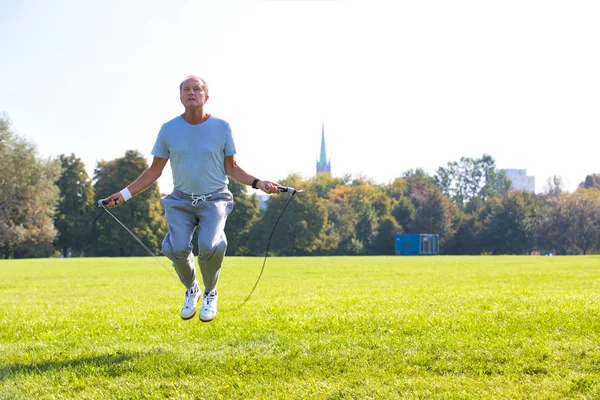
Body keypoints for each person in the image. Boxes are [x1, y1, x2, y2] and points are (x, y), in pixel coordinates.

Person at [102, 75, 280, 322]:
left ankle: (210, 292)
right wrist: (123, 195)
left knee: (209, 246)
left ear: (206, 96)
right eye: (186, 89)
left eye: (197, 89)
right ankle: (192, 289)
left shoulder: (222, 127)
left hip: (215, 199)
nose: (192, 92)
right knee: (175, 248)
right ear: (180, 98)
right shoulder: (168, 130)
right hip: (180, 200)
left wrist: (259, 183)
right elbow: (154, 171)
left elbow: (232, 168)